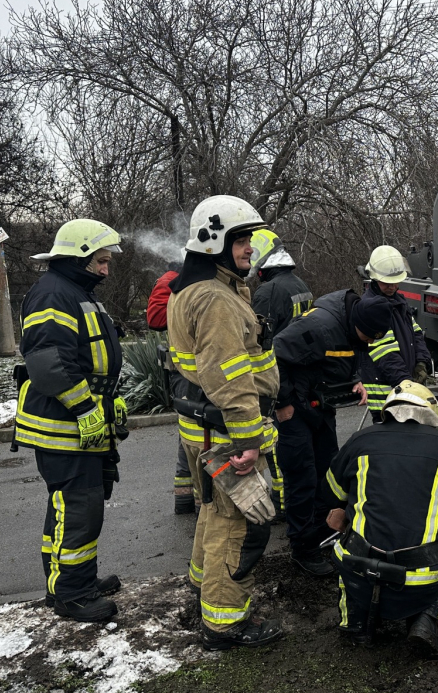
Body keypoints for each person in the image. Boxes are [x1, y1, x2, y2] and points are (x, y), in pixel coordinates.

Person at [166, 195, 284, 651]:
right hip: (228, 432)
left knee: (213, 511)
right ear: (214, 240)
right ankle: (225, 621)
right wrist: (248, 439)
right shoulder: (215, 299)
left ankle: (203, 586)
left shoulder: (195, 288)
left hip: (206, 426)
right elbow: (229, 377)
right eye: (242, 240)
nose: (250, 248)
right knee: (237, 523)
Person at [321, 381, 438, 658]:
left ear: (388, 411)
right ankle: (428, 620)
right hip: (421, 582)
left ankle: (356, 624)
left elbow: (331, 493)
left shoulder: (360, 440)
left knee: (348, 555)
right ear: (431, 414)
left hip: (360, 574)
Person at [15, 219, 127, 623]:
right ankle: (72, 595)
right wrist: (86, 408)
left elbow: (88, 357)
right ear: (79, 255)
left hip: (77, 422)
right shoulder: (53, 295)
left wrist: (107, 404)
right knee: (78, 507)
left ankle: (71, 581)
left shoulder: (73, 292)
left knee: (70, 508)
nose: (106, 267)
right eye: (100, 259)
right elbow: (50, 364)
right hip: (65, 424)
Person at [272, 286, 391, 576]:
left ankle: (319, 532)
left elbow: (353, 353)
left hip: (318, 404)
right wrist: (283, 402)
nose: (369, 342)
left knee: (329, 469)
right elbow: (275, 352)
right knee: (302, 474)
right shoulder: (320, 326)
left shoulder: (355, 323)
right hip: (294, 408)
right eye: (368, 337)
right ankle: (302, 548)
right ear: (357, 324)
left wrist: (356, 379)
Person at [252, 247, 314, 512]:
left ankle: (281, 502)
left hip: (277, 378)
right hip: (303, 375)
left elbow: (258, 341)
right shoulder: (300, 285)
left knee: (276, 441)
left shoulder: (268, 291)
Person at [359, 245, 432, 421]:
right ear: (375, 279)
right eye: (387, 282)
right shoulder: (370, 308)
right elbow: (386, 355)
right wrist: (408, 387)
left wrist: (422, 362)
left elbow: (416, 334)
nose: (392, 286)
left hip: (403, 387)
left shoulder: (398, 301)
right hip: (387, 394)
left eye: (395, 281)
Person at [147, 263, 196, 516]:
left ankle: (187, 500)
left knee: (190, 433)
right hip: (187, 373)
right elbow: (155, 320)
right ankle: (193, 501)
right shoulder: (174, 280)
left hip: (190, 371)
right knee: (193, 433)